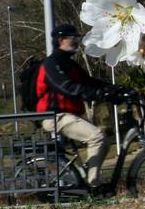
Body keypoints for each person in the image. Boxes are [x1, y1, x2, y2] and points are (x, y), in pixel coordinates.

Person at [36, 24, 133, 193]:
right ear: (61, 40)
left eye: (76, 37)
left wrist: (116, 89)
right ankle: (93, 184)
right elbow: (68, 87)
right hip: (54, 116)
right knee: (97, 137)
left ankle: (88, 176)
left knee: (104, 141)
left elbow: (90, 82)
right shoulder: (51, 63)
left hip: (69, 115)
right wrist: (100, 94)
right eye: (72, 37)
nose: (76, 41)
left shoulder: (70, 64)